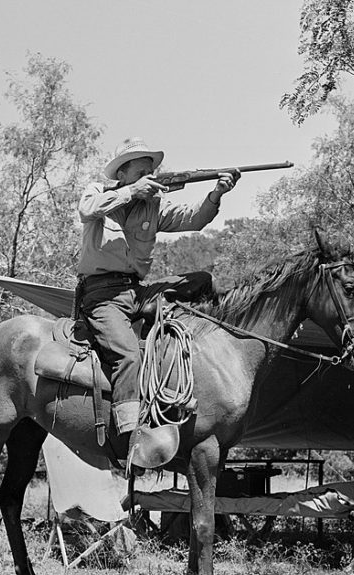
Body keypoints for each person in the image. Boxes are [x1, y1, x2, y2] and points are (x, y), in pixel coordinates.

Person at [75, 137, 238, 453]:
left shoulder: (155, 206)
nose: (149, 176)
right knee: (128, 355)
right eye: (141, 171)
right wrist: (131, 192)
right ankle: (130, 435)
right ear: (122, 175)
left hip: (137, 292)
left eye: (151, 170)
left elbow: (196, 218)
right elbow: (86, 210)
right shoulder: (98, 192)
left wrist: (216, 193)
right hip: (102, 296)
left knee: (202, 281)